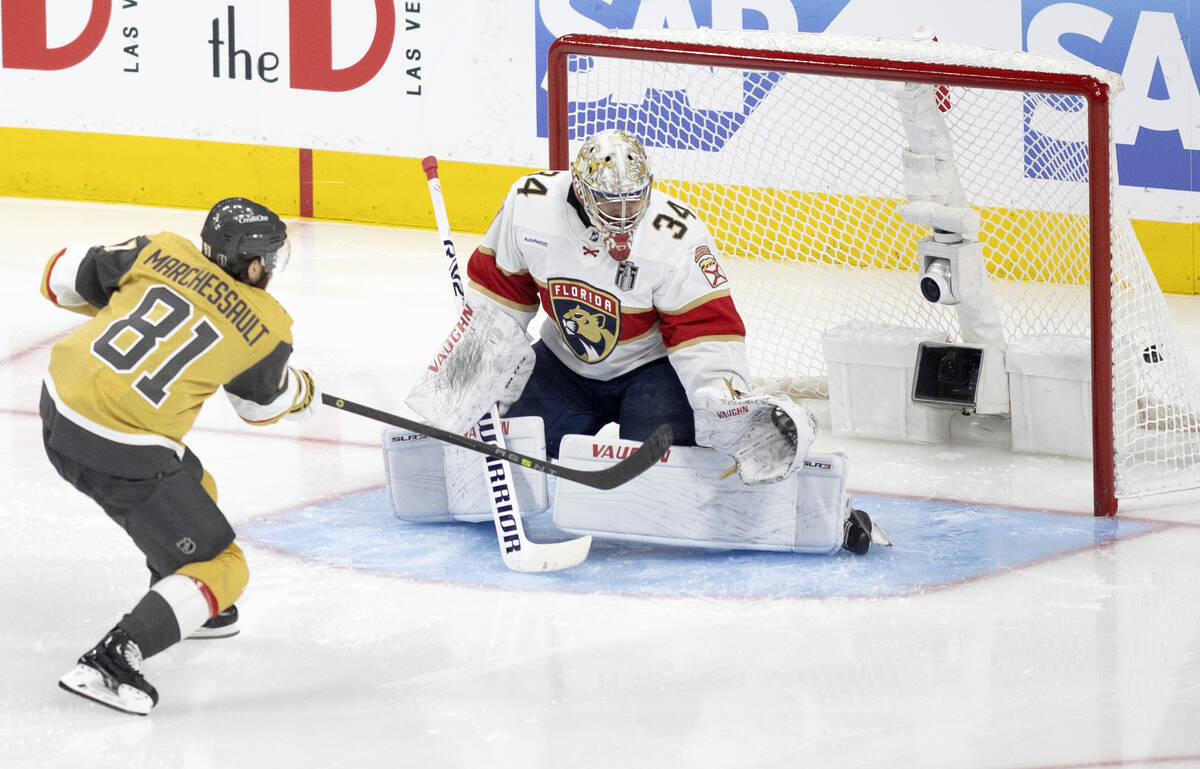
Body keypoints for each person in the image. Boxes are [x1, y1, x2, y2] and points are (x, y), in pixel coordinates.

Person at [406, 129, 887, 555]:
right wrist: (472, 377)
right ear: (579, 187)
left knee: (655, 472)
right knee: (514, 441)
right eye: (610, 203)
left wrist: (723, 400)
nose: (623, 213)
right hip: (563, 364)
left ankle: (810, 504)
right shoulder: (529, 203)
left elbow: (707, 332)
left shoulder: (674, 236)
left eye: (633, 201)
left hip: (652, 372)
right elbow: (500, 302)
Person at [40, 197, 318, 715]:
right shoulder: (266, 323)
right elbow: (261, 407)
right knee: (227, 567)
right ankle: (112, 663)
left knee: (193, 482)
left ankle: (183, 600)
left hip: (57, 404)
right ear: (253, 263)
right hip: (119, 450)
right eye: (270, 260)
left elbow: (58, 274)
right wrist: (301, 391)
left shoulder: (160, 250)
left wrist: (133, 300)